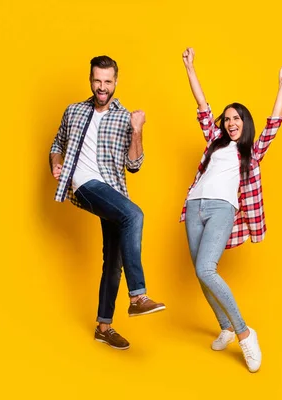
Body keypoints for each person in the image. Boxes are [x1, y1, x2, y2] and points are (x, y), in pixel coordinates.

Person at [180, 47, 282, 372]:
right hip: (194, 205)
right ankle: (224, 327)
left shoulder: (252, 152)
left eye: (236, 118)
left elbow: (275, 122)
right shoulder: (214, 140)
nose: (230, 123)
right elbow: (202, 106)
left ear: (245, 122)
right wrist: (190, 68)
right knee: (200, 275)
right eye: (227, 119)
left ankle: (244, 333)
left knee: (206, 269)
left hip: (222, 209)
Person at [49, 55, 166, 350]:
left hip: (112, 189)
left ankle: (104, 326)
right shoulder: (73, 111)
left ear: (116, 82)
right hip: (83, 184)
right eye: (97, 81)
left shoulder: (124, 117)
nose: (102, 87)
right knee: (134, 215)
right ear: (90, 80)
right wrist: (56, 163)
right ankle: (138, 296)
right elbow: (56, 144)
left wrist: (138, 129)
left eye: (107, 82)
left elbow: (134, 164)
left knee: (113, 262)